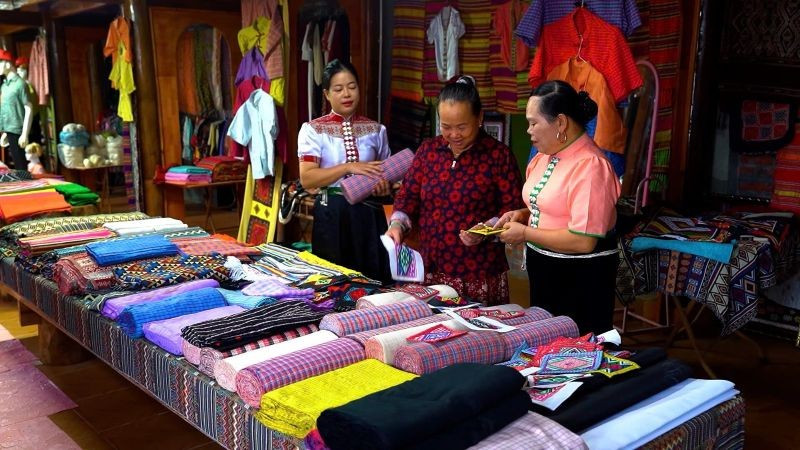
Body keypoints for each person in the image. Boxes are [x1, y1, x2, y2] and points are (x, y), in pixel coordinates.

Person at [497, 80, 621, 334]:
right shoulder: (543, 157)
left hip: (580, 281)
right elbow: (553, 207)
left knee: (576, 347)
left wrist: (525, 233)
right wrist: (522, 215)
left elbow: (583, 240)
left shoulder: (591, 166)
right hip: (546, 274)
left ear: (561, 122)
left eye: (534, 123)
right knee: (546, 343)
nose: (528, 131)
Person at [387, 76, 524, 305]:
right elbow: (408, 195)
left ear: (479, 118)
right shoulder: (429, 150)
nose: (454, 135)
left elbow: (513, 209)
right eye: (446, 127)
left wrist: (486, 230)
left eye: (462, 127)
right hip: (428, 268)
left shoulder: (498, 156)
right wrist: (397, 225)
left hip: (476, 272)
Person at [297, 59, 392, 282]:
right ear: (327, 94)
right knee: (335, 280)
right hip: (333, 213)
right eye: (338, 89)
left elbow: (387, 172)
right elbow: (307, 178)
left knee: (373, 278)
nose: (346, 94)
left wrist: (384, 186)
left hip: (370, 213)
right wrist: (348, 167)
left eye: (352, 87)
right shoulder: (313, 130)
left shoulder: (376, 130)